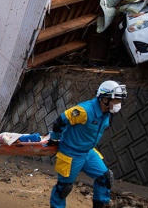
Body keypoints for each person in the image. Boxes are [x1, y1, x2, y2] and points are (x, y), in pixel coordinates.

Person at [49, 80, 127, 208]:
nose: (118, 104)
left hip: (88, 152)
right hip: (71, 153)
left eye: (119, 101)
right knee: (63, 188)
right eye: (116, 100)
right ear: (104, 99)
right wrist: (54, 139)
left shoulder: (106, 113)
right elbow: (60, 121)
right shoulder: (84, 111)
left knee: (105, 178)